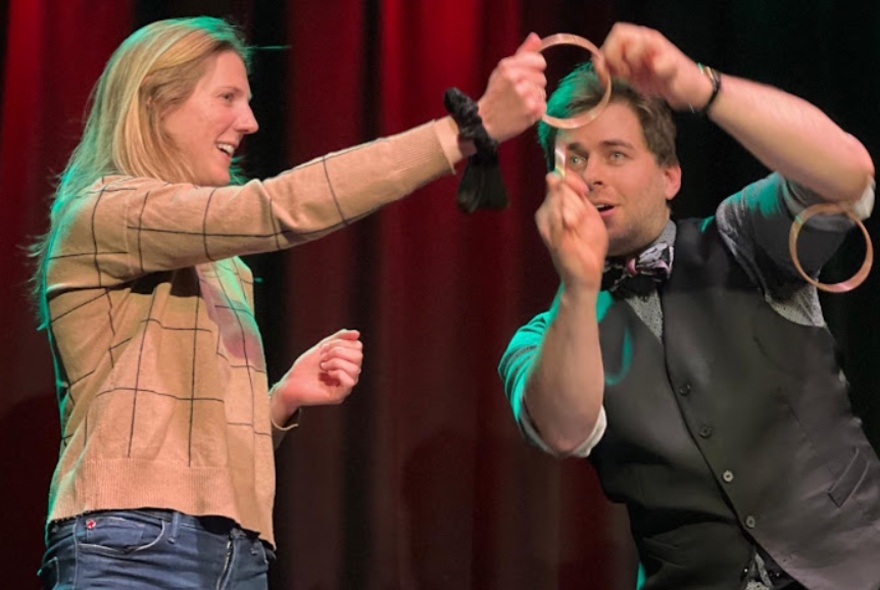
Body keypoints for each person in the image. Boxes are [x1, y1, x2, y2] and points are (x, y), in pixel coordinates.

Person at [31, 16, 546, 589]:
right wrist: (462, 133)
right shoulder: (104, 213)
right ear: (155, 104)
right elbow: (277, 209)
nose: (249, 122)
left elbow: (188, 447)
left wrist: (275, 405)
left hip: (237, 553)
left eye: (247, 100)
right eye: (227, 96)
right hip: (136, 544)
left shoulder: (220, 265)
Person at [499, 22, 880, 590]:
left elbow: (848, 174)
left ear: (670, 174)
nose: (592, 175)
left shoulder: (743, 236)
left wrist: (700, 86)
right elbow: (560, 430)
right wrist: (577, 289)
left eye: (615, 153)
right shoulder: (541, 337)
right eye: (572, 159)